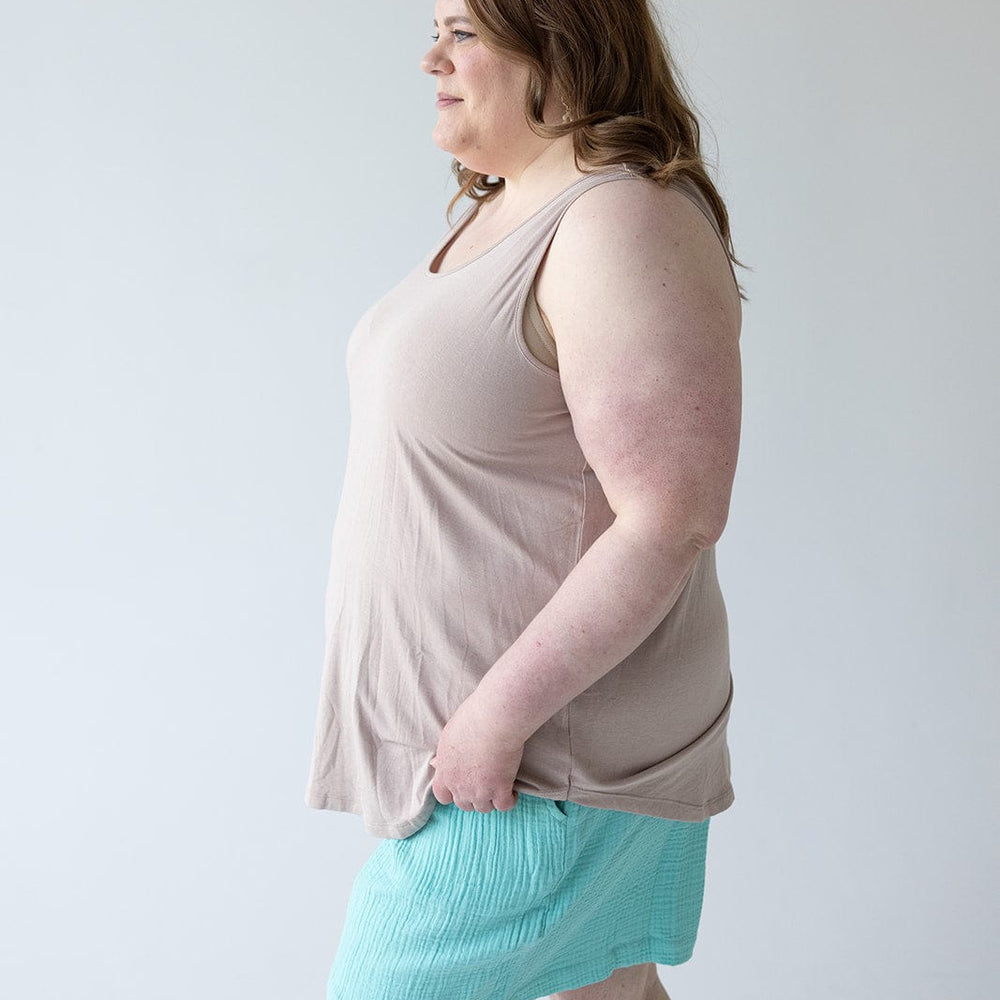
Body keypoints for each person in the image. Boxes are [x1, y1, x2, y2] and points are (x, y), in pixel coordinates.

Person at [304, 1, 749, 997]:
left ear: (564, 38)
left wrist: (491, 724)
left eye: (463, 31)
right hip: (515, 769)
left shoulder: (617, 216)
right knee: (608, 990)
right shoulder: (516, 208)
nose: (430, 57)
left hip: (541, 770)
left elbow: (670, 512)